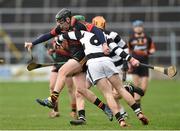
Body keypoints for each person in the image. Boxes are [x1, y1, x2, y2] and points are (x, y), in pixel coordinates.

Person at [25, 8, 113, 122]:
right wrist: (32, 43)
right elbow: (48, 35)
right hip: (75, 56)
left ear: (67, 19)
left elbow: (98, 31)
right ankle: (105, 108)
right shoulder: (61, 28)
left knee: (62, 71)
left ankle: (53, 99)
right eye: (58, 23)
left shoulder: (80, 24)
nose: (60, 26)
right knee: (81, 90)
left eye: (61, 23)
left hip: (83, 55)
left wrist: (104, 45)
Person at [57, 30, 149, 127]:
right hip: (107, 61)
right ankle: (139, 113)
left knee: (108, 94)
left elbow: (63, 37)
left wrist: (59, 43)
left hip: (93, 65)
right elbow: (118, 49)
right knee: (120, 89)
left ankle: (121, 121)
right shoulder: (105, 36)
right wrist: (131, 59)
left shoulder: (82, 34)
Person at [43, 39, 76, 118]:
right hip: (57, 65)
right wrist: (52, 52)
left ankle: (74, 111)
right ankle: (55, 110)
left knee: (70, 89)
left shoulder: (68, 38)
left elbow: (69, 52)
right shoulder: (56, 39)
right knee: (52, 87)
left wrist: (56, 51)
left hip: (67, 65)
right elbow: (56, 53)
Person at [128, 20, 156, 107]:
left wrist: (147, 53)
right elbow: (128, 51)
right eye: (136, 27)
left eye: (139, 26)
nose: (138, 28)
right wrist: (129, 63)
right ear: (134, 28)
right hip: (135, 64)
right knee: (136, 85)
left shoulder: (148, 38)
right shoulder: (131, 39)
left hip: (145, 64)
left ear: (142, 27)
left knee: (143, 89)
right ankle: (137, 105)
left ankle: (132, 94)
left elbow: (153, 49)